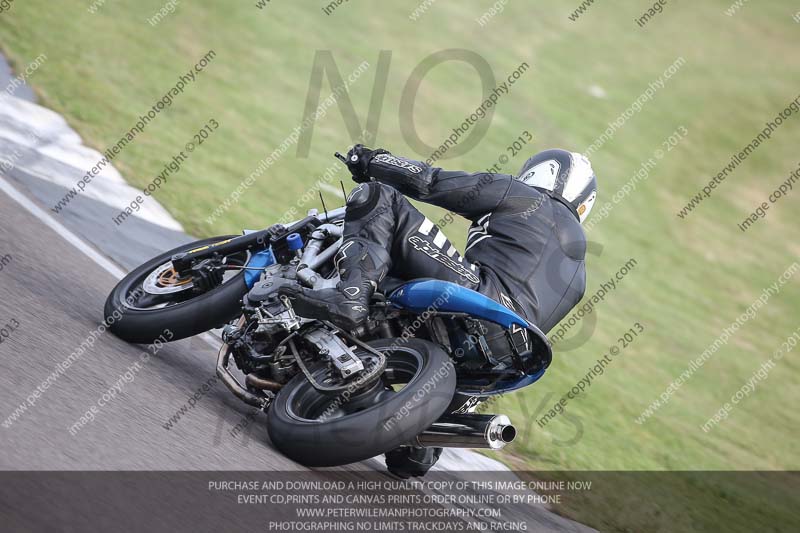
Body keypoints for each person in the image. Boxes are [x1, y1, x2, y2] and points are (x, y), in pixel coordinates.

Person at [281, 145, 597, 478]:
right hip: (505, 358)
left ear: (538, 173)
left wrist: (371, 161)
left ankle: (352, 296)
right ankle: (418, 444)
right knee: (410, 463)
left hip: (478, 303)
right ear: (584, 203)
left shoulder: (523, 195)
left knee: (379, 197)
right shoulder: (580, 276)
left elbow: (428, 182)